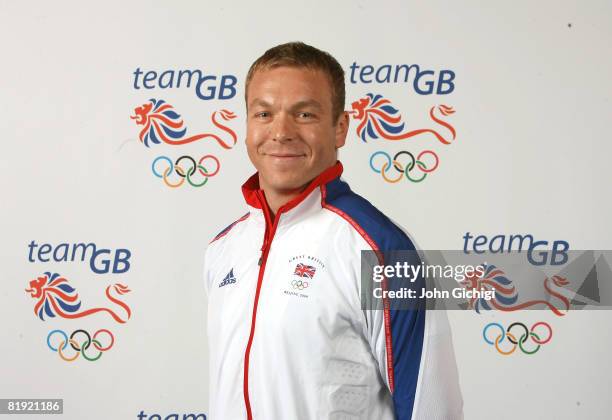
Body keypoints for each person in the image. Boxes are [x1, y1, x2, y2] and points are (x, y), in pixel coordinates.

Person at [203, 41, 463, 420]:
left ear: (340, 127)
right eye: (263, 113)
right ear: (246, 125)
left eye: (304, 114)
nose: (280, 132)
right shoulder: (223, 248)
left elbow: (432, 407)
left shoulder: (383, 250)